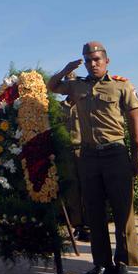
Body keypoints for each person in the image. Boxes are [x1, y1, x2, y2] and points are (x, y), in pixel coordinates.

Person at [48, 41, 138, 274]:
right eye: (88, 60)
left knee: (123, 210)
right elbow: (52, 86)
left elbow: (133, 121)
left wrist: (136, 155)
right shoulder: (77, 85)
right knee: (94, 212)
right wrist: (66, 67)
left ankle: (122, 264)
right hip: (89, 157)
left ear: (106, 61)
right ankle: (101, 263)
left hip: (116, 154)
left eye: (97, 59)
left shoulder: (121, 85)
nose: (92, 64)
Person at [60, 72, 89, 242]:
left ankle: (89, 225)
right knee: (72, 191)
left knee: (88, 189)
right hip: (66, 152)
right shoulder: (58, 107)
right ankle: (77, 225)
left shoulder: (85, 103)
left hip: (84, 150)